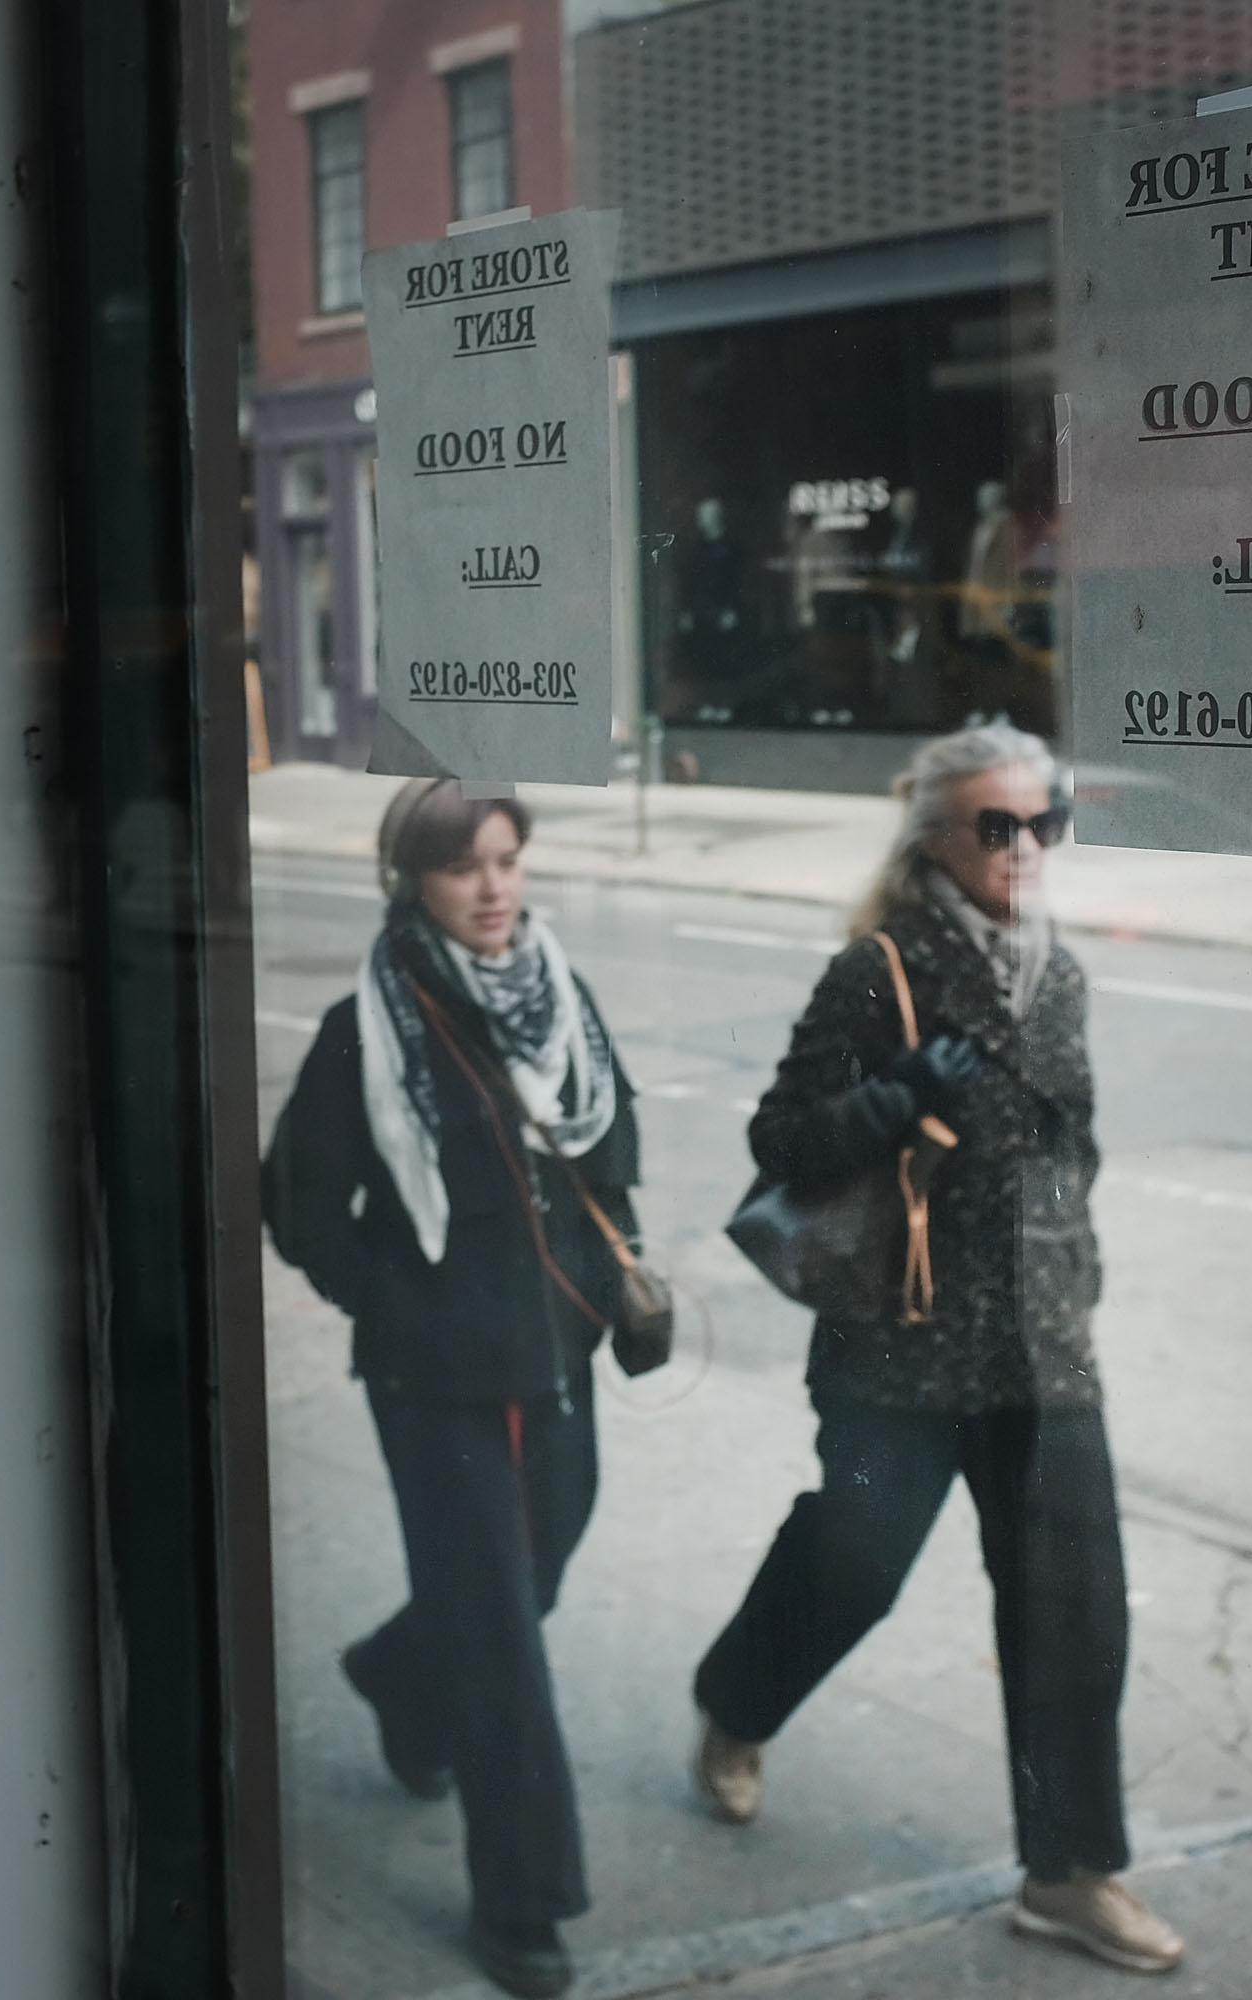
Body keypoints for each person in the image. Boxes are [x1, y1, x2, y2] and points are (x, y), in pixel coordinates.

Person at [690, 724, 1186, 1975]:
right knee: (852, 1569)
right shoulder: (878, 970)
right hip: (896, 1348)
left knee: (1075, 1610)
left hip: (1040, 1346)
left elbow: (1073, 1137)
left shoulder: (1055, 968)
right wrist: (897, 1092)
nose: (1025, 848)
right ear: (938, 839)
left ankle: (1071, 1872)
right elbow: (782, 1142)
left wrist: (1071, 1249)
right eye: (996, 825)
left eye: (1045, 823)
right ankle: (737, 1705)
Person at [261, 779, 644, 1999]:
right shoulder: (367, 1027)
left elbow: (609, 1153)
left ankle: (394, 1671)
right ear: (412, 881)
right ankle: (522, 1902)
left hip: (557, 1351)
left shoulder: (559, 996)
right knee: (498, 1633)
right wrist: (391, 1298)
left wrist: (611, 1279)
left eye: (508, 859)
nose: (494, 888)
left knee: (539, 1570)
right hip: (436, 1375)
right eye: (465, 866)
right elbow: (298, 1203)